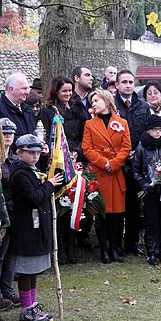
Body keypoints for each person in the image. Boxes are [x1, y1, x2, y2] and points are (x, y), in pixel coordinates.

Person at [9, 134, 63, 321]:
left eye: (38, 153)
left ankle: (32, 304)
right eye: (31, 153)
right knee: (27, 271)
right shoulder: (20, 174)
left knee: (33, 271)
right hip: (26, 229)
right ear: (20, 153)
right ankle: (26, 308)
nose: (35, 156)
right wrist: (49, 185)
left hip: (36, 228)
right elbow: (33, 196)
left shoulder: (32, 171)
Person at [40, 75, 86, 263]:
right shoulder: (49, 111)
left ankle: (71, 248)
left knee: (74, 205)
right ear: (56, 92)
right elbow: (47, 136)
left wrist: (77, 152)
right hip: (57, 163)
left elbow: (84, 132)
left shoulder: (76, 108)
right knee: (59, 206)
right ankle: (56, 249)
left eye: (69, 90)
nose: (67, 94)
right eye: (64, 91)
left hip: (74, 158)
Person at [82, 89, 131, 264]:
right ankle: (104, 249)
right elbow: (87, 149)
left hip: (116, 173)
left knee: (117, 215)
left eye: (96, 100)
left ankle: (116, 247)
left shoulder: (122, 122)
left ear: (107, 100)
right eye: (91, 102)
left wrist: (115, 163)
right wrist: (105, 163)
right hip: (100, 173)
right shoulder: (90, 124)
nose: (93, 104)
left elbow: (126, 147)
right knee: (102, 214)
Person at [114, 69, 151, 256]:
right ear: (117, 85)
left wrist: (136, 151)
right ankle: (115, 244)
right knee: (117, 206)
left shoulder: (143, 106)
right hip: (116, 163)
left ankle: (131, 242)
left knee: (135, 207)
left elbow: (146, 132)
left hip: (136, 163)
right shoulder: (111, 104)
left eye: (131, 82)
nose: (128, 85)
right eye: (124, 82)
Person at [0, 118, 20, 311]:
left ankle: (7, 290)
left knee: (11, 255)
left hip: (15, 213)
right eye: (4, 133)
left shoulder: (15, 159)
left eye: (10, 133)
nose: (8, 136)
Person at [133, 114, 161, 266]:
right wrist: (143, 183)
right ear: (148, 130)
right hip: (150, 189)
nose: (157, 133)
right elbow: (136, 169)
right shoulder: (142, 146)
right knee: (151, 221)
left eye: (160, 130)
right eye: (154, 130)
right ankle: (151, 252)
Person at [71, 66, 94, 249]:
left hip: (92, 156)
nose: (91, 78)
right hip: (75, 154)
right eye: (87, 75)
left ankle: (85, 234)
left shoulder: (94, 100)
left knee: (91, 194)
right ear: (76, 78)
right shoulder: (70, 101)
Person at [0, 72, 36, 141]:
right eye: (23, 89)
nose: (27, 92)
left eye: (27, 88)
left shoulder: (28, 110)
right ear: (11, 89)